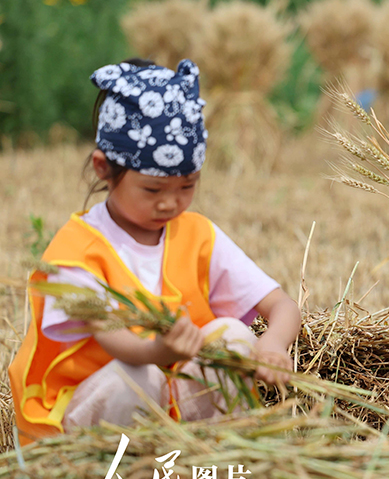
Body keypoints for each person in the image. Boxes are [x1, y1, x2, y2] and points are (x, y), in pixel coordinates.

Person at [9, 59, 299, 446]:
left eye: (187, 186)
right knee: (137, 376)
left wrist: (273, 344)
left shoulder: (197, 234)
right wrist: (158, 350)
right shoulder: (75, 252)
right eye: (152, 190)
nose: (170, 203)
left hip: (177, 412)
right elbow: (114, 339)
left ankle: (211, 463)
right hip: (89, 419)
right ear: (103, 168)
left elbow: (280, 305)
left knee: (232, 337)